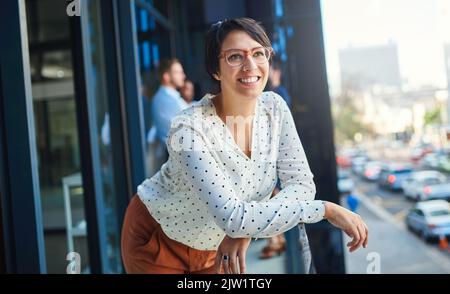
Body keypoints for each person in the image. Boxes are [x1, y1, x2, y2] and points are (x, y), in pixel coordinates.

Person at [121, 17, 369, 274]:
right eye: (235, 57)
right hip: (158, 238)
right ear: (215, 70)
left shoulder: (275, 108)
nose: (250, 65)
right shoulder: (189, 127)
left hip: (215, 248)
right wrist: (325, 209)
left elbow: (301, 185)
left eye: (258, 53)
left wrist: (245, 231)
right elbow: (233, 217)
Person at [259, 61, 292, 259]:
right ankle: (277, 241)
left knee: (273, 197)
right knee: (272, 197)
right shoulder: (278, 93)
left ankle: (276, 241)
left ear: (277, 71)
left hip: (275, 156)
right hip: (272, 155)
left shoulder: (279, 95)